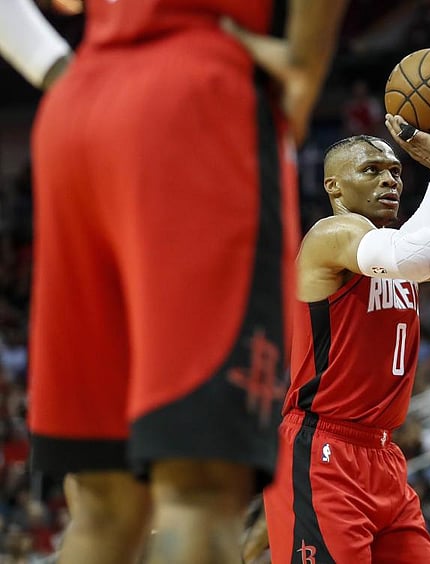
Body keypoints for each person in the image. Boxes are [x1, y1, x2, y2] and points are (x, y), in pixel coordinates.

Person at [15, 1, 348, 563]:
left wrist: (51, 64)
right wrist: (304, 62)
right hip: (195, 93)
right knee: (199, 491)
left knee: (104, 505)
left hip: (79, 106)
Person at [260, 114, 430, 563]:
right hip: (322, 449)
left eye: (396, 172)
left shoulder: (398, 248)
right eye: (371, 171)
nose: (389, 181)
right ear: (334, 188)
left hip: (382, 455)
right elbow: (418, 257)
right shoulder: (331, 235)